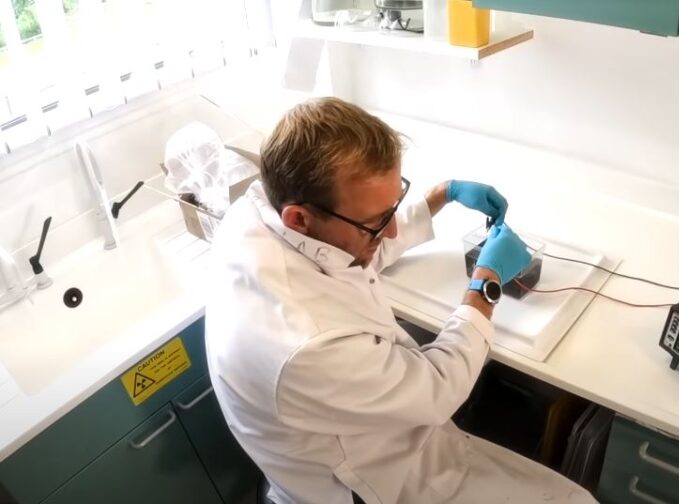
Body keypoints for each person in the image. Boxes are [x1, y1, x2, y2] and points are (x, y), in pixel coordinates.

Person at [205, 97, 596, 504]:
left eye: (393, 206)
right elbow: (440, 388)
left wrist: (439, 197)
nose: (389, 233)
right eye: (376, 223)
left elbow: (345, 255)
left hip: (356, 431)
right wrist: (487, 282)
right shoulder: (306, 345)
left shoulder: (258, 213)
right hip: (369, 484)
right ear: (299, 218)